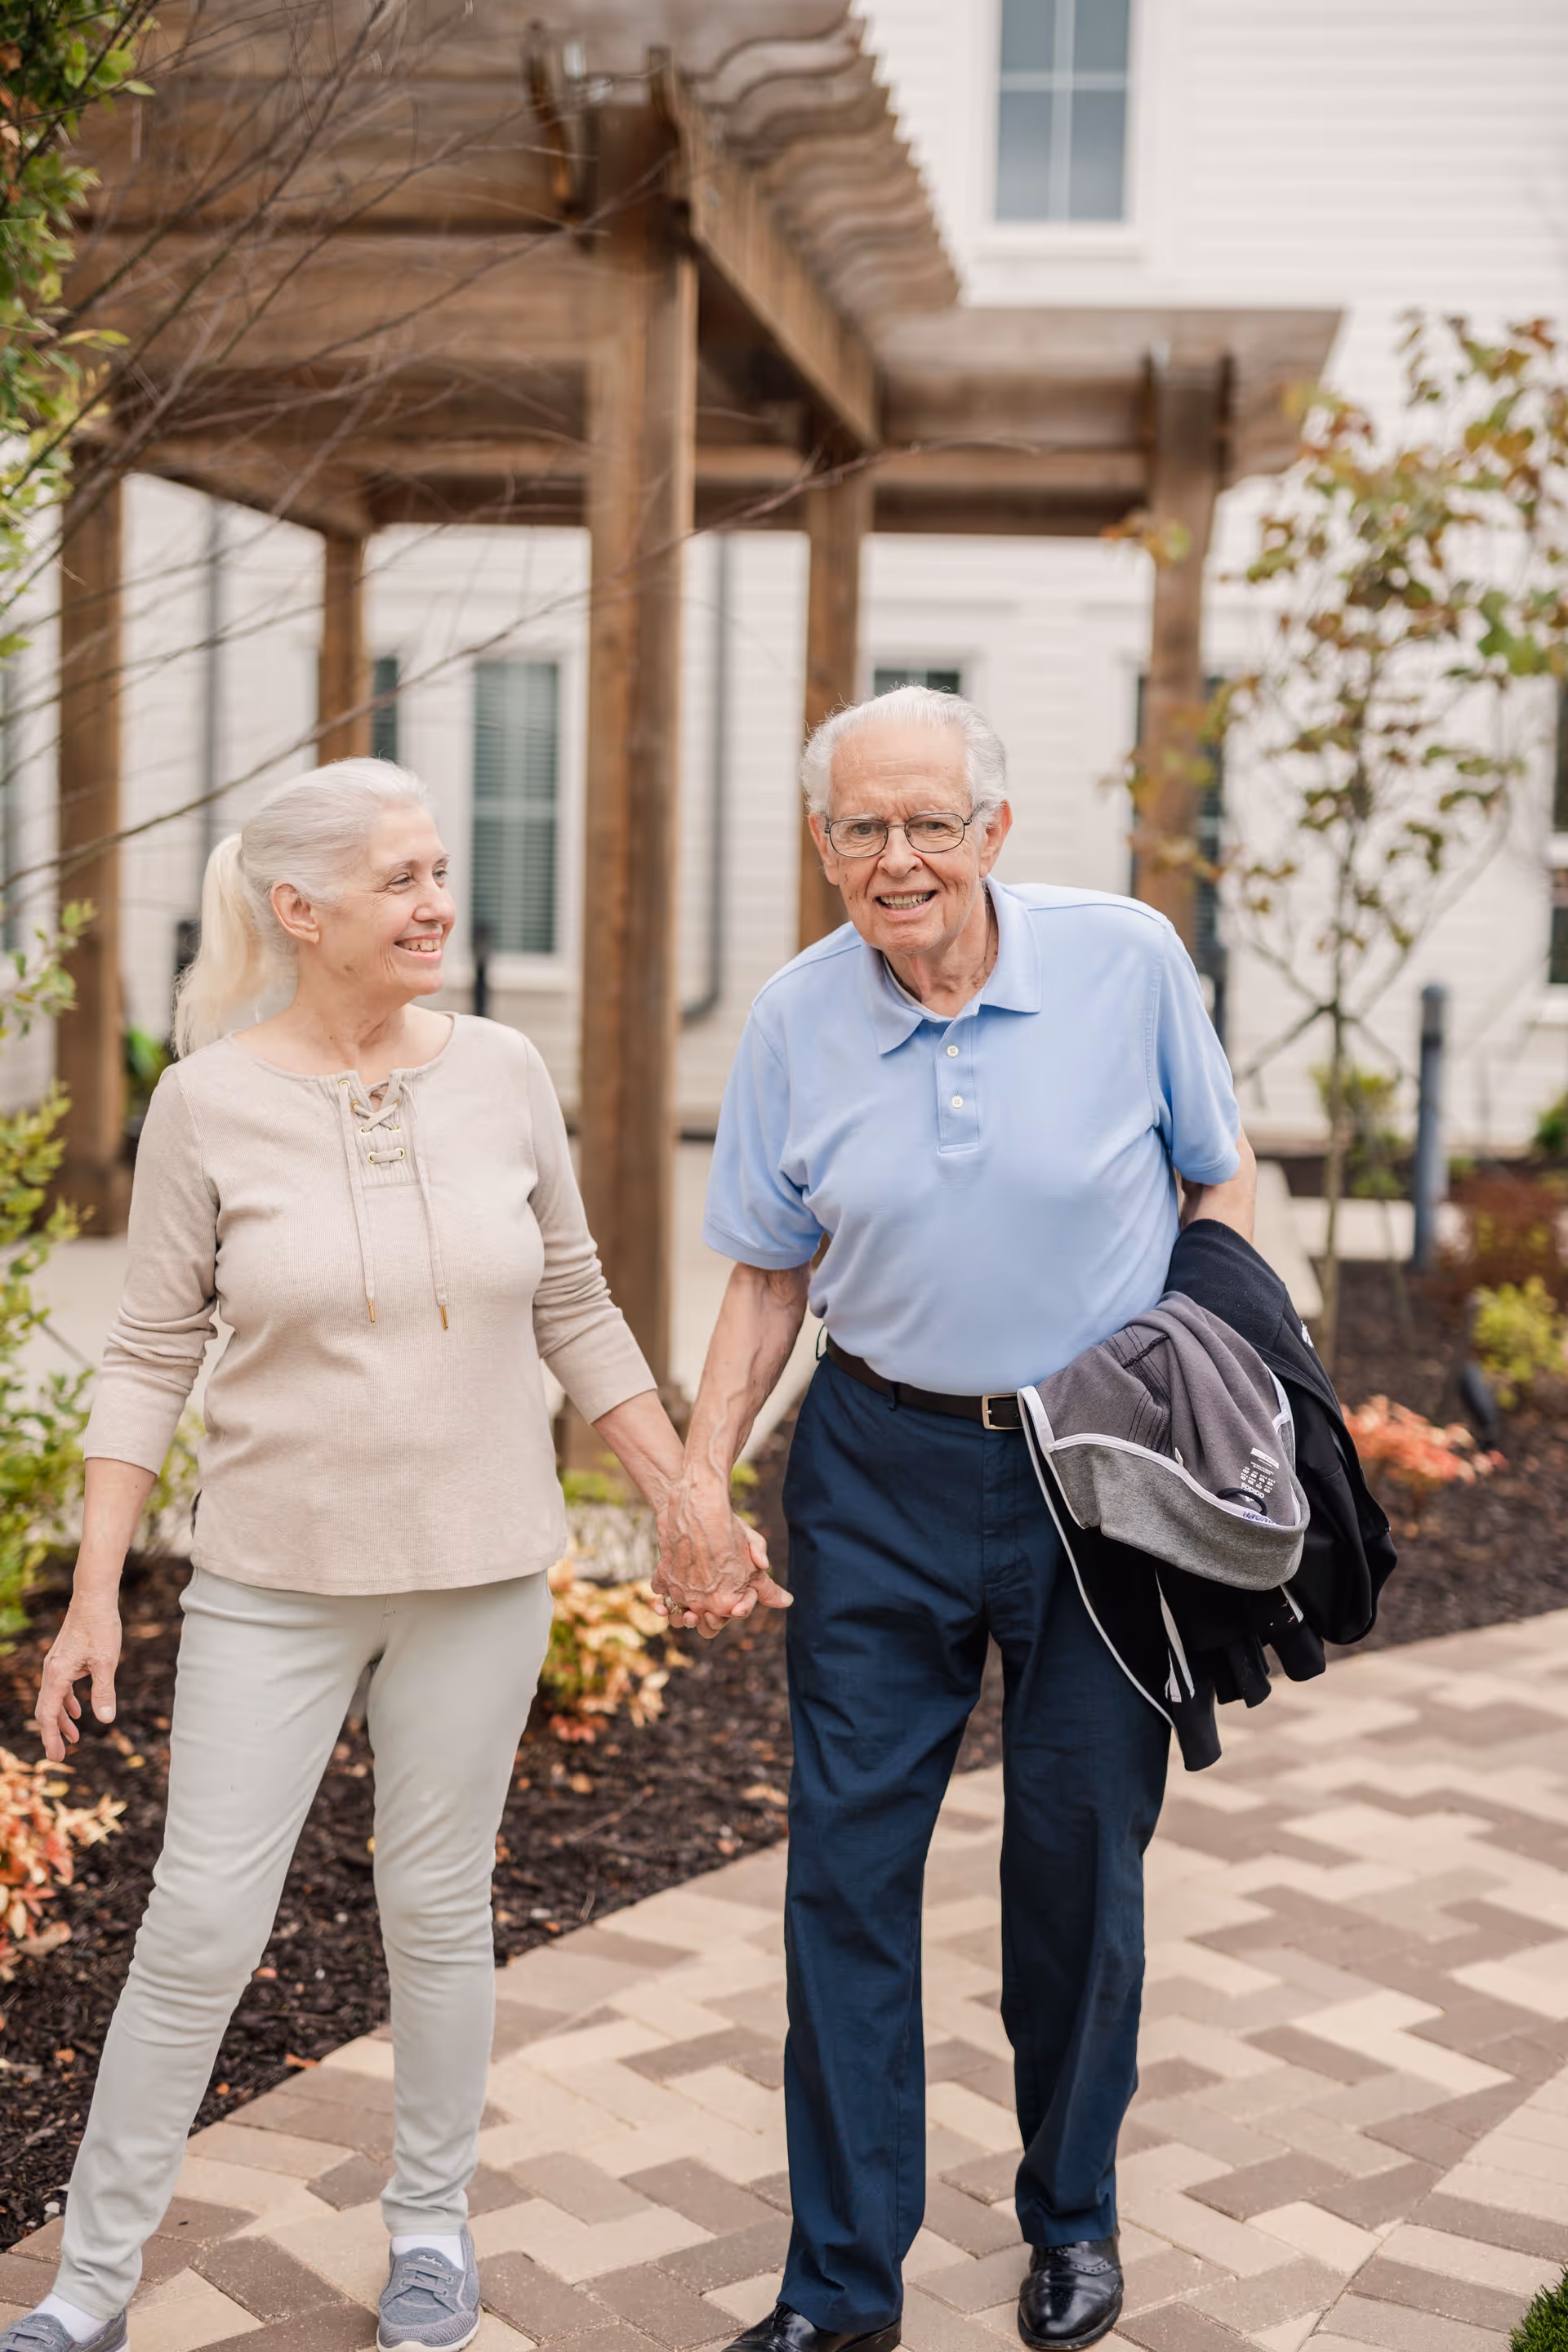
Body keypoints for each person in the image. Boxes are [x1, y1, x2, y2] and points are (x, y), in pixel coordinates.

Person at [3, 760, 773, 2352]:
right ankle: (90, 2281)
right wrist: (94, 1591)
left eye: (441, 871)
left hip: (480, 1574)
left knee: (436, 1910)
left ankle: (430, 2225)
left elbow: (572, 1301)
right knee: (203, 1919)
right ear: (303, 913)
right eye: (406, 879)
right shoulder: (206, 1101)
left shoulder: (500, 1070)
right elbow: (147, 1351)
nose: (442, 904)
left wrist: (683, 1487)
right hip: (274, 1582)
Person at [657, 688, 1257, 2352]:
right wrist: (701, 1479)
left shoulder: (1129, 961)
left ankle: (1073, 2221)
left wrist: (1224, 1358)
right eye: (862, 827)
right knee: (846, 1877)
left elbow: (1221, 1173)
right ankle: (842, 2285)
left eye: (931, 822)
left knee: (1076, 1869)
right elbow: (770, 1270)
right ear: (822, 845)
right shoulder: (791, 1020)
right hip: (877, 1470)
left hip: (1099, 1483)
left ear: (995, 831)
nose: (898, 857)